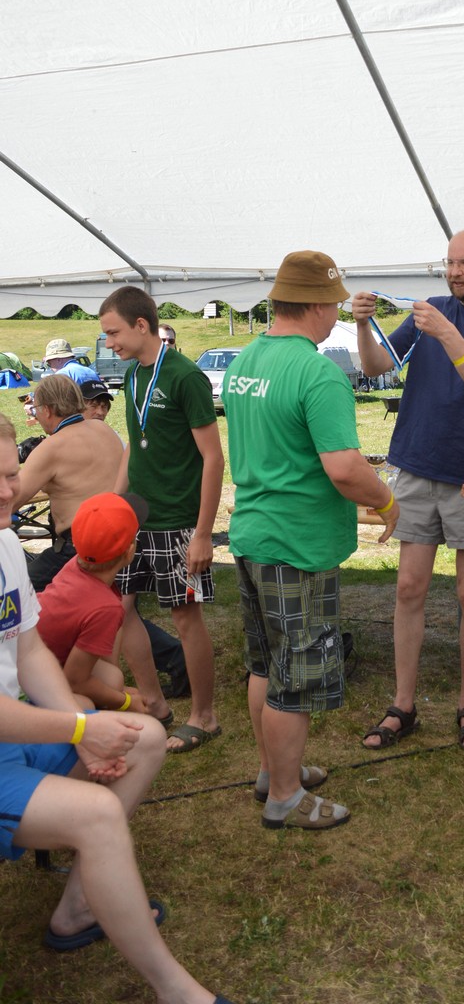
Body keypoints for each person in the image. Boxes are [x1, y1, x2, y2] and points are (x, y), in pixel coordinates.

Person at [0, 413, 235, 1004]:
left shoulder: (6, 543)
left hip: (19, 731)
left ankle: (80, 906)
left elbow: (31, 651)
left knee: (146, 737)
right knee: (100, 815)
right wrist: (80, 723)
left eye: (11, 474)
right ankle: (178, 991)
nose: (9, 492)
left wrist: (85, 729)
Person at [222, 250, 399, 830]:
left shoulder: (246, 359)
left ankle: (272, 771)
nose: (338, 315)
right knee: (295, 679)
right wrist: (387, 500)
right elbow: (345, 468)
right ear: (318, 304)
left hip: (252, 533)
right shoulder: (317, 371)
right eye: (336, 304)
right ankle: (286, 795)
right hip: (297, 544)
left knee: (264, 664)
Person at [353, 229, 464, 750]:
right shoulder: (432, 309)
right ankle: (402, 705)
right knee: (409, 588)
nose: (454, 272)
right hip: (417, 464)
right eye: (449, 262)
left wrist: (447, 332)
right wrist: (363, 325)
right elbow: (377, 366)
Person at [99, 286, 224, 754]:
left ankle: (204, 717)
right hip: (137, 519)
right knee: (119, 609)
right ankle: (153, 702)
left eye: (113, 333)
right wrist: (114, 504)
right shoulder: (133, 375)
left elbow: (213, 458)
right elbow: (134, 446)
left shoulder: (185, 377)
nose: (109, 343)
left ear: (141, 325)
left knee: (185, 617)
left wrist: (203, 533)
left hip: (178, 522)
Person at [80, 378, 190, 698]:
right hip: (118, 522)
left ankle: (167, 676)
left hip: (125, 525)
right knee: (121, 609)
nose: (100, 411)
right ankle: (147, 693)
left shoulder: (106, 436)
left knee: (126, 610)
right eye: (93, 404)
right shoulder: (110, 431)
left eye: (104, 405)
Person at [37, 492, 151, 714]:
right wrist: (126, 703)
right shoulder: (105, 608)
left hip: (37, 659)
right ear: (129, 552)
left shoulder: (76, 564)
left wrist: (117, 693)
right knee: (86, 705)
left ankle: (105, 700)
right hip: (27, 677)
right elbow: (75, 681)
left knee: (113, 680)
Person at [15, 375, 124, 592]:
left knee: (17, 590)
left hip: (81, 547)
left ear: (46, 410)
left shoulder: (51, 448)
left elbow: (10, 500)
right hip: (119, 538)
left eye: (35, 409)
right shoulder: (104, 430)